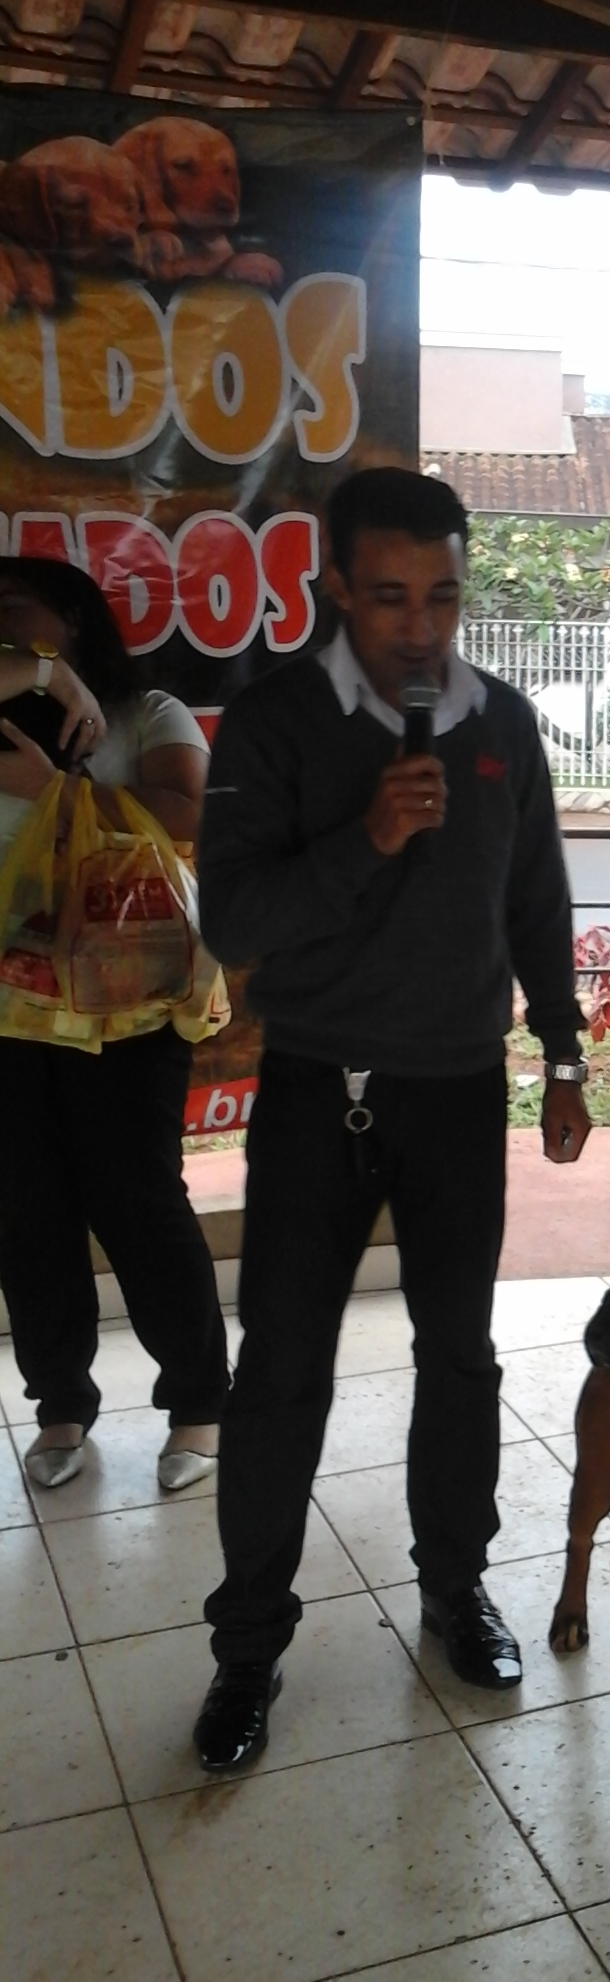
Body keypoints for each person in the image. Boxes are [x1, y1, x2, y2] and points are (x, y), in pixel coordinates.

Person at [191, 469, 591, 1772]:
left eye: (444, 597)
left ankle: (455, 1588)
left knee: (458, 1355)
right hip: (317, 1086)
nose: (421, 628)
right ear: (335, 591)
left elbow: (534, 899)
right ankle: (247, 1648)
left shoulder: (502, 723)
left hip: (458, 1085)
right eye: (389, 597)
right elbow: (235, 922)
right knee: (280, 1372)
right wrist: (366, 836)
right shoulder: (273, 724)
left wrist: (565, 1049)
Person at [0, 557, 227, 1495]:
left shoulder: (147, 714)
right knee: (25, 1212)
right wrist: (46, 681)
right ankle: (59, 1405)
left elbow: (189, 816)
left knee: (139, 1204)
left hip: (128, 1007)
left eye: (15, 611)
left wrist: (58, 790)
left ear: (76, 621)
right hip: (11, 1007)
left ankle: (200, 1404)